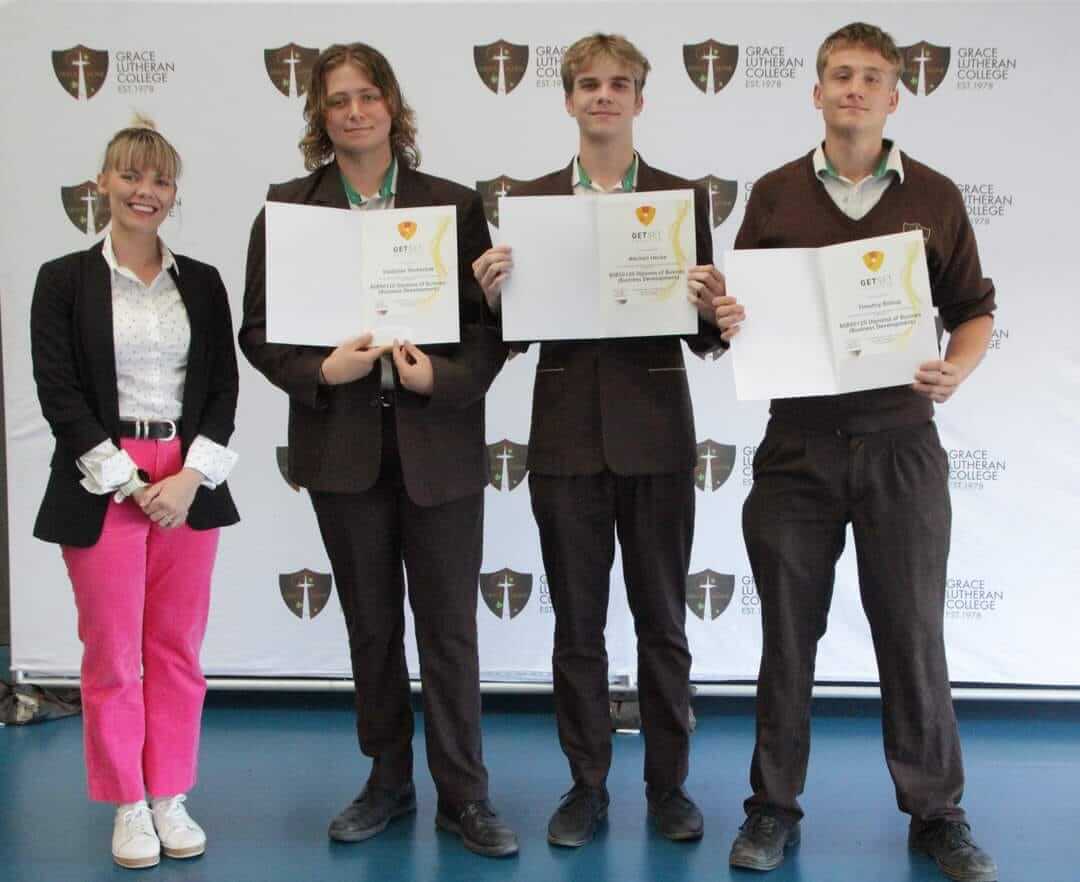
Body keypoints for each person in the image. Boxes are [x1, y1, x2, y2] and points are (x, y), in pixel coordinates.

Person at [728, 23, 998, 882]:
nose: (854, 88)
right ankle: (771, 809)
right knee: (786, 638)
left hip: (900, 445)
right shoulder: (772, 195)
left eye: (871, 77)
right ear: (816, 92)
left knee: (913, 634)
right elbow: (739, 310)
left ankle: (937, 817)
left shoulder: (936, 195)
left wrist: (957, 368)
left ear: (894, 96)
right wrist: (726, 316)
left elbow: (974, 307)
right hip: (797, 447)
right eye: (839, 75)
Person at [238, 43, 517, 857]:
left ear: (393, 105)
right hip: (344, 447)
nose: (354, 112)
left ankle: (465, 795)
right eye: (337, 101)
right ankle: (388, 785)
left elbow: (490, 331)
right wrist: (321, 370)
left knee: (450, 631)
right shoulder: (289, 211)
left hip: (440, 446)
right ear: (319, 119)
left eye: (367, 96)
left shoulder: (453, 206)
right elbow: (257, 332)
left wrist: (442, 378)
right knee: (369, 626)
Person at [472, 33, 743, 848]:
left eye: (618, 84)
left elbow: (705, 337)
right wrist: (492, 300)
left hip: (658, 440)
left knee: (663, 621)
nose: (603, 96)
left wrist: (714, 304)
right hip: (562, 442)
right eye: (588, 84)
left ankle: (669, 787)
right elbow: (515, 336)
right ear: (567, 99)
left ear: (639, 100)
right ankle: (586, 786)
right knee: (577, 627)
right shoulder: (532, 207)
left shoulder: (677, 201)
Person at [30, 119, 240, 870]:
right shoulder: (62, 279)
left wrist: (186, 477)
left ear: (173, 194)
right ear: (103, 186)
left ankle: (169, 795)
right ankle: (127, 804)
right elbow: (58, 392)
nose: (144, 192)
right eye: (130, 176)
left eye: (158, 181)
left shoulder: (204, 282)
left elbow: (221, 387)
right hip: (101, 478)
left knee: (177, 649)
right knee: (113, 653)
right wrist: (128, 480)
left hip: (187, 478)